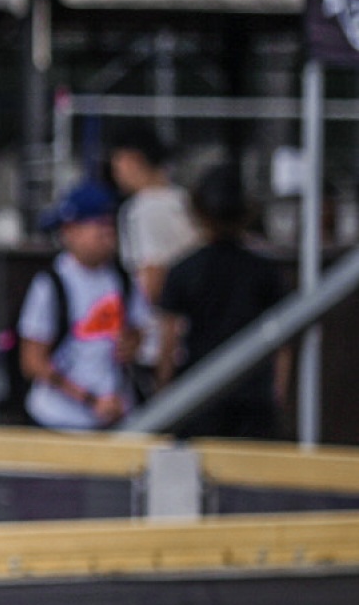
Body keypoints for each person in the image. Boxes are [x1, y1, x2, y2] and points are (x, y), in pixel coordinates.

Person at [157, 164, 289, 439]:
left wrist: (164, 389)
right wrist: (277, 391)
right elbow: (283, 338)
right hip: (253, 392)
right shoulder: (264, 269)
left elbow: (168, 340)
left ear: (198, 212)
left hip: (198, 391)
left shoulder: (184, 269)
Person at [17, 180, 153, 431]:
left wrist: (131, 343)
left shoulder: (122, 279)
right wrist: (89, 400)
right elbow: (32, 360)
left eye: (108, 229)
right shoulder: (51, 284)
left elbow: (139, 328)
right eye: (98, 229)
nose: (107, 237)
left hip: (115, 416)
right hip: (58, 418)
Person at [108, 124, 199, 392]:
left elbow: (152, 281)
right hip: (196, 338)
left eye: (117, 164)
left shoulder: (141, 210)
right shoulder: (186, 202)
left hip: (158, 346)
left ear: (132, 159)